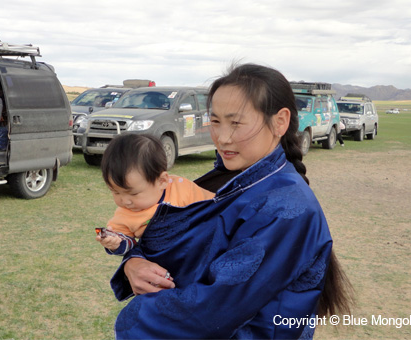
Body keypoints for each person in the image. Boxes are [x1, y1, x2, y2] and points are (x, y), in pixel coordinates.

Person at [109, 63, 353, 339]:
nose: (222, 138)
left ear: (280, 122)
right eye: (215, 121)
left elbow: (213, 310)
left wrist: (133, 318)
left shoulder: (287, 209)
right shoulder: (228, 181)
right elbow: (174, 242)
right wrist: (134, 261)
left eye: (236, 123)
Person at [96, 134, 215, 255]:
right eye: (115, 192)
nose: (125, 201)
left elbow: (217, 206)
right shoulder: (124, 215)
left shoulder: (183, 189)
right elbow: (127, 242)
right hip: (162, 263)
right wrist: (115, 244)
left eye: (134, 193)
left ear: (162, 181)